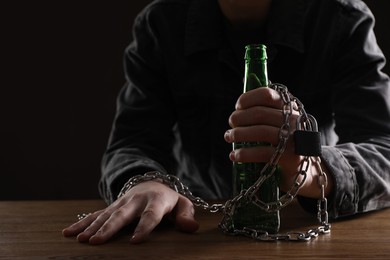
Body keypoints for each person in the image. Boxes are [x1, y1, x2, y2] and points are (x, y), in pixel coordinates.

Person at [63, 0, 390, 244]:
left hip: (302, 217)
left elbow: (384, 147)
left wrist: (315, 169)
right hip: (193, 222)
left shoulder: (341, 17)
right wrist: (145, 181)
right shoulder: (161, 23)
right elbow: (131, 141)